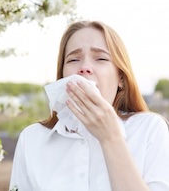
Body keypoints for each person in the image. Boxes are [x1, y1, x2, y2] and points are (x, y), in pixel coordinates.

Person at [9, 20, 169, 191]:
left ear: (121, 78)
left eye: (100, 58)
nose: (84, 67)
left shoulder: (149, 129)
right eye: (73, 59)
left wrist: (110, 138)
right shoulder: (32, 138)